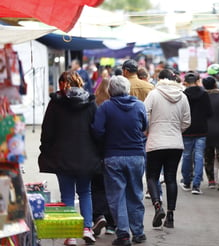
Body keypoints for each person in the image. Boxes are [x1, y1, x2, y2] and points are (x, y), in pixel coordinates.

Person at [38, 71, 100, 246]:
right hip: (86, 156)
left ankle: (70, 235)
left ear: (62, 84)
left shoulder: (56, 103)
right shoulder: (90, 102)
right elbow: (97, 129)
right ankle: (87, 228)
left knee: (67, 194)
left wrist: (45, 150)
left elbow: (47, 130)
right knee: (85, 192)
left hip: (62, 155)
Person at [92, 75, 148, 245]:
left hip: (113, 157)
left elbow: (97, 131)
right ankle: (138, 232)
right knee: (135, 194)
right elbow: (145, 126)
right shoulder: (139, 105)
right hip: (136, 156)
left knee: (117, 196)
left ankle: (123, 234)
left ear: (110, 91)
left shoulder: (105, 107)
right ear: (127, 89)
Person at [144, 68, 191, 229]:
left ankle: (158, 205)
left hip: (155, 141)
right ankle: (170, 215)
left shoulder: (154, 94)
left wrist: (149, 129)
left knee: (152, 176)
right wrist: (177, 131)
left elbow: (144, 115)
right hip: (175, 143)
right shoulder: (182, 96)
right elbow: (186, 121)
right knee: (171, 178)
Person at [180, 71, 213, 195]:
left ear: (186, 83)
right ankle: (196, 185)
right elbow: (209, 112)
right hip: (201, 129)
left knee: (187, 155)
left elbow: (180, 112)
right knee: (199, 156)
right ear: (197, 81)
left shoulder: (183, 95)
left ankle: (186, 182)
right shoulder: (204, 94)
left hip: (187, 130)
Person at [91, 77, 116, 236]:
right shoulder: (114, 105)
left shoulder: (94, 105)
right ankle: (112, 224)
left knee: (96, 187)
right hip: (113, 151)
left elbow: (94, 130)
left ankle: (98, 215)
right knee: (112, 188)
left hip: (96, 153)